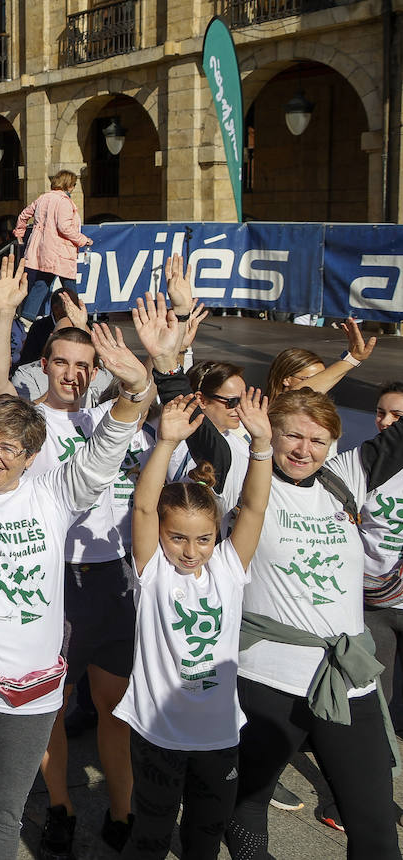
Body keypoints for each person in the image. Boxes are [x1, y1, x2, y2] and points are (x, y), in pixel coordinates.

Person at [141, 318, 403, 859]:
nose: (304, 449)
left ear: (335, 442)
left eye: (318, 440)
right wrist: (170, 367)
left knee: (376, 829)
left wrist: (353, 363)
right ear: (271, 433)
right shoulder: (243, 469)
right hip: (266, 680)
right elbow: (194, 418)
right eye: (293, 436)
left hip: (347, 679)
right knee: (243, 809)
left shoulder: (349, 474)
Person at [0, 291, 155, 860]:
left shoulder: (54, 495)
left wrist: (134, 386)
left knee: (2, 816)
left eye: (11, 447)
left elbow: (105, 448)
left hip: (38, 690)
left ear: (31, 454)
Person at [115, 392, 272, 860]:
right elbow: (143, 509)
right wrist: (164, 443)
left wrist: (262, 445)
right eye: (177, 537)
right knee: (151, 835)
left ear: (218, 533)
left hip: (219, 734)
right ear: (160, 535)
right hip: (157, 733)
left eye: (203, 538)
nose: (190, 550)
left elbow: (256, 508)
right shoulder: (153, 570)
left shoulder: (228, 567)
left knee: (205, 836)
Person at [363, 381, 403, 732]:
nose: (386, 421)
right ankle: (381, 757)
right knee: (378, 692)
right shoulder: (366, 462)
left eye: (397, 415)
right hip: (372, 600)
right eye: (380, 413)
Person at [13, 170, 93, 325]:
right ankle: (78, 318)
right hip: (59, 250)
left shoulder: (43, 198)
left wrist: (20, 231)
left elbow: (24, 214)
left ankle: (27, 318)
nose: (73, 188)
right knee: (69, 286)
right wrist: (83, 240)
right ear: (68, 184)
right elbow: (64, 227)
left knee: (42, 283)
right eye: (73, 185)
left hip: (42, 249)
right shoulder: (63, 201)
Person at [264, 319, 377, 400]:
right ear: (286, 380)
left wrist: (349, 357)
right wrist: (352, 359)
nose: (321, 383)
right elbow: (296, 394)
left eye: (322, 376)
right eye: (310, 379)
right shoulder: (270, 410)